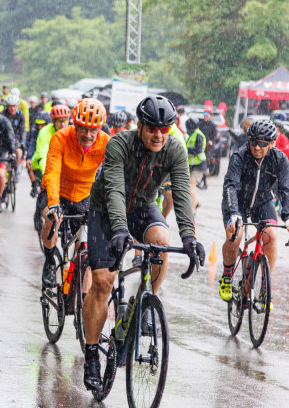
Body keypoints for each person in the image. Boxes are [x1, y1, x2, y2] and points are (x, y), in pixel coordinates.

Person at [81, 95, 204, 391]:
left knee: (162, 240)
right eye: (152, 128)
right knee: (102, 281)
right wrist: (121, 231)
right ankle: (90, 355)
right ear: (139, 126)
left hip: (142, 208)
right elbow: (113, 191)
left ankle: (143, 305)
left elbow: (183, 195)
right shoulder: (119, 144)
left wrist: (190, 237)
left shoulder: (175, 148)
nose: (158, 135)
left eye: (165, 128)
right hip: (106, 209)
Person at [219, 119, 289, 307]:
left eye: (262, 143)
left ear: (272, 143)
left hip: (262, 201)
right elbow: (230, 185)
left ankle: (265, 286)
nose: (256, 147)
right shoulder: (240, 156)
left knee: (270, 236)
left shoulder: (279, 159)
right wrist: (234, 213)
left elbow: (286, 188)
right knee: (235, 236)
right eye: (253, 142)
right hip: (237, 201)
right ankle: (228, 274)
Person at [40, 98, 108, 289]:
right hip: (59, 191)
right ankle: (49, 260)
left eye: (93, 130)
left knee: (84, 248)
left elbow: (112, 176)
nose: (88, 135)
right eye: (83, 129)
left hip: (85, 194)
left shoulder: (105, 142)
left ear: (100, 129)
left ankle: (80, 295)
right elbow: (52, 172)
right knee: (50, 218)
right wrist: (53, 202)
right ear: (75, 125)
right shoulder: (60, 137)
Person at [30, 104, 71, 230]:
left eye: (65, 121)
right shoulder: (45, 132)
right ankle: (38, 215)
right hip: (41, 164)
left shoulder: (71, 131)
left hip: (61, 167)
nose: (63, 124)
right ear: (53, 121)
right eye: (59, 121)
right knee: (44, 190)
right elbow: (43, 155)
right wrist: (47, 175)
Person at [26, 112, 51, 197]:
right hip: (39, 158)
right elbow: (32, 144)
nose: (40, 127)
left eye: (42, 125)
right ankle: (34, 186)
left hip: (50, 158)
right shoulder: (34, 132)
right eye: (38, 125)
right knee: (29, 166)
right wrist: (28, 158)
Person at [185, 118, 207, 212]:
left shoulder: (198, 135)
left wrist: (186, 151)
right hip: (193, 166)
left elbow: (198, 150)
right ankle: (196, 203)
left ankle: (193, 210)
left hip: (199, 166)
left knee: (190, 188)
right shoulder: (192, 134)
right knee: (189, 188)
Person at [3, 94, 26, 160]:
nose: (12, 109)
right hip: (5, 138)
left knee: (19, 152)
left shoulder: (21, 115)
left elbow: (22, 130)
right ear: (7, 106)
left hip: (16, 138)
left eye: (14, 106)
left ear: (18, 106)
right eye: (10, 106)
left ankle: (16, 168)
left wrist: (23, 141)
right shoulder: (3, 114)